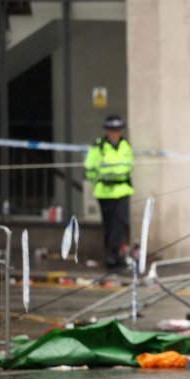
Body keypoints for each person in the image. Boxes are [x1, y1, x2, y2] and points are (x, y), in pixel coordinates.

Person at [84, 114, 134, 268]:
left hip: (122, 190)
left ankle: (113, 255)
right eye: (112, 129)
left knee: (120, 223)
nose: (115, 132)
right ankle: (112, 255)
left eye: (117, 129)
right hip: (105, 192)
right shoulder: (98, 146)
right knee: (110, 225)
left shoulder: (125, 145)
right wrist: (98, 180)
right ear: (107, 130)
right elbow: (89, 168)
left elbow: (129, 166)